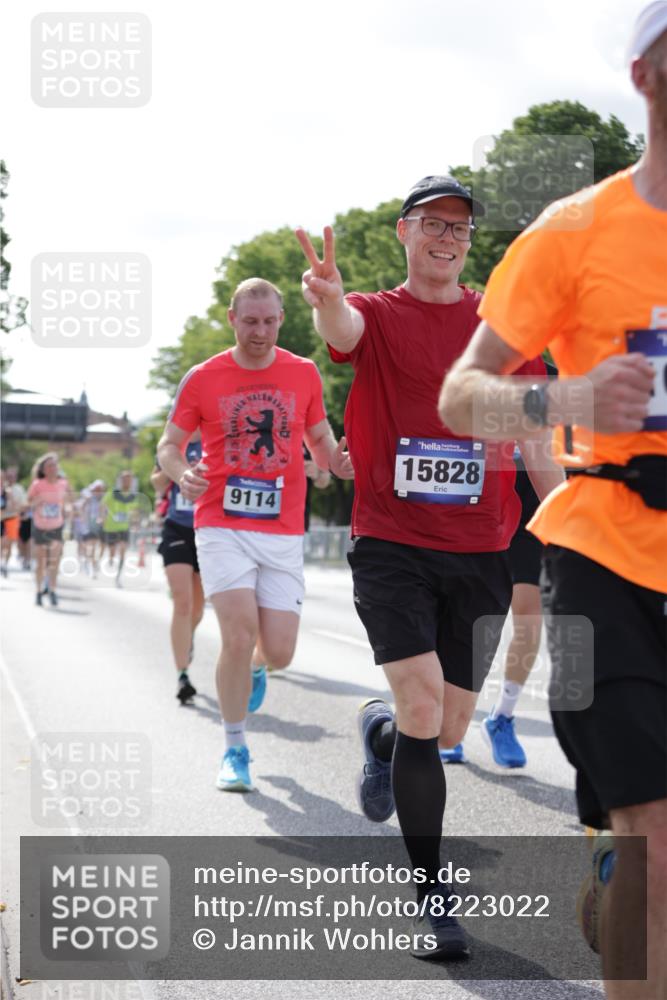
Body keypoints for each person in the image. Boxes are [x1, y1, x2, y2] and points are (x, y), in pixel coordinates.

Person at [438, 7, 667, 994]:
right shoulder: (574, 230)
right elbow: (462, 394)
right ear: (645, 75)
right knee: (658, 840)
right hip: (601, 555)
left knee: (649, 857)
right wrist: (571, 395)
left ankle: (617, 871)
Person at [296, 177, 564, 960]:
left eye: (460, 227)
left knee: (443, 725)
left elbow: (539, 445)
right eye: (432, 223)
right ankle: (433, 898)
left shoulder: (506, 329)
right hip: (392, 541)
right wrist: (323, 298)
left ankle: (377, 736)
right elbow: (338, 326)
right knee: (423, 710)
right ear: (405, 233)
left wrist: (575, 533)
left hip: (481, 549)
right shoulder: (376, 315)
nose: (447, 236)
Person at [157, 277, 353, 793]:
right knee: (238, 635)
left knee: (280, 651)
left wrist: (333, 461)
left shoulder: (304, 372)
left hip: (283, 526)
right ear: (232, 319)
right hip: (220, 522)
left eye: (269, 321)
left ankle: (260, 669)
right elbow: (169, 444)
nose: (260, 332)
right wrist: (181, 473)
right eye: (250, 321)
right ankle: (235, 748)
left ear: (282, 320)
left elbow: (318, 434)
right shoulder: (203, 378)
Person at [152, 436, 205, 704]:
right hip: (177, 528)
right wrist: (174, 465)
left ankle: (189, 635)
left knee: (197, 609)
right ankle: (182, 674)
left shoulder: (217, 437)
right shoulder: (174, 441)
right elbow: (157, 484)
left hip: (209, 529)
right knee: (182, 603)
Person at [27, 453, 70, 606]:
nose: (53, 468)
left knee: (54, 562)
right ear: (44, 470)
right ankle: (38, 591)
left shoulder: (63, 483)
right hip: (40, 527)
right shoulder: (37, 484)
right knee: (41, 563)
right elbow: (29, 502)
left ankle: (52, 590)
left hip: (57, 526)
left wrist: (69, 509)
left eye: (55, 465)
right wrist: (38, 500)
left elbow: (68, 499)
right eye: (50, 466)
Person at [100, 471, 143, 587]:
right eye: (124, 479)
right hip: (111, 527)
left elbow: (135, 510)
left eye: (129, 479)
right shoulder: (113, 493)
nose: (126, 481)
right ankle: (110, 559)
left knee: (123, 550)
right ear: (120, 480)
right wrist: (103, 518)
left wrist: (136, 522)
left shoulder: (132, 495)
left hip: (124, 527)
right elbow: (103, 504)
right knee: (112, 551)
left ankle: (118, 577)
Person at [1, 467, 27, 576]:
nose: (11, 478)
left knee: (9, 543)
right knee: (2, 543)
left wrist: (17, 509)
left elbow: (21, 505)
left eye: (13, 476)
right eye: (9, 476)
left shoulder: (16, 490)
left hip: (12, 518)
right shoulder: (4, 489)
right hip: (2, 518)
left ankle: (5, 564)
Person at [81, 479, 106, 577]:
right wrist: (84, 518)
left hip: (102, 526)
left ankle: (96, 562)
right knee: (91, 546)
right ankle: (92, 565)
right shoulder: (89, 497)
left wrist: (104, 519)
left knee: (102, 546)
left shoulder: (105, 498)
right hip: (90, 525)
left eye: (100, 489)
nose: (98, 491)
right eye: (97, 488)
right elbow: (83, 506)